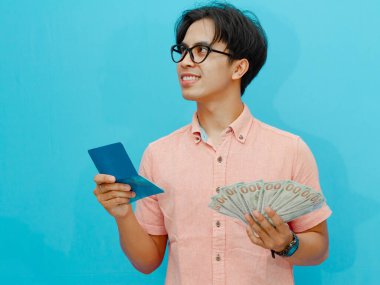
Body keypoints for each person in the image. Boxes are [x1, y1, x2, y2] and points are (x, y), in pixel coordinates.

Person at [93, 2, 332, 285]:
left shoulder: (290, 150)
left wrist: (287, 243)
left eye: (201, 50)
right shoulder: (158, 154)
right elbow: (147, 261)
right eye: (182, 50)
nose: (185, 61)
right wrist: (123, 215)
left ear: (239, 67)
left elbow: (319, 248)